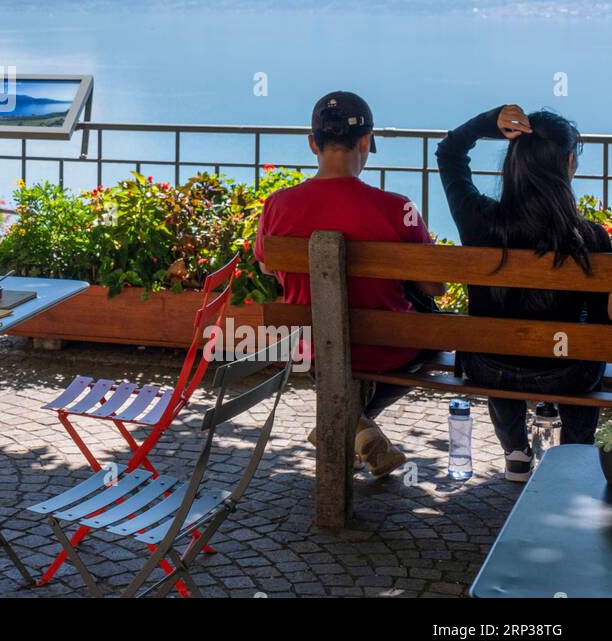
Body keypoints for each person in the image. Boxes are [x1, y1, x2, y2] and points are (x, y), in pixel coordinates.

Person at [255, 91, 443, 478]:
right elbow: (435, 287)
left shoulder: (277, 204)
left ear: (313, 143)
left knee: (333, 353)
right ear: (365, 142)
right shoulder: (398, 207)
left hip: (312, 347)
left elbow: (268, 268)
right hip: (385, 348)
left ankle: (346, 422)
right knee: (433, 337)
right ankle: (351, 424)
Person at [436, 104, 611, 482]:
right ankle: (572, 451)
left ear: (513, 162)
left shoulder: (478, 220)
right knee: (589, 346)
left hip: (491, 368)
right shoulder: (591, 239)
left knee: (497, 340)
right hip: (567, 373)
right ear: (569, 164)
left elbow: (448, 152)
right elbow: (601, 323)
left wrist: (487, 123)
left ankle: (516, 451)